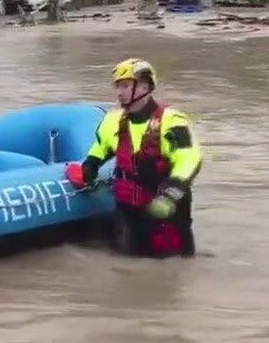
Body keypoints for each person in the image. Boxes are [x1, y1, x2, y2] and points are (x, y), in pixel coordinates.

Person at [65, 58, 203, 258]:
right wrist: (89, 167)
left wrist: (170, 195)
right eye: (118, 87)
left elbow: (189, 159)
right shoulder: (113, 121)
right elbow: (99, 149)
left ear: (145, 86)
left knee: (173, 272)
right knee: (125, 269)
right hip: (128, 215)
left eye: (125, 86)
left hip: (167, 214)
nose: (119, 93)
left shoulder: (172, 122)